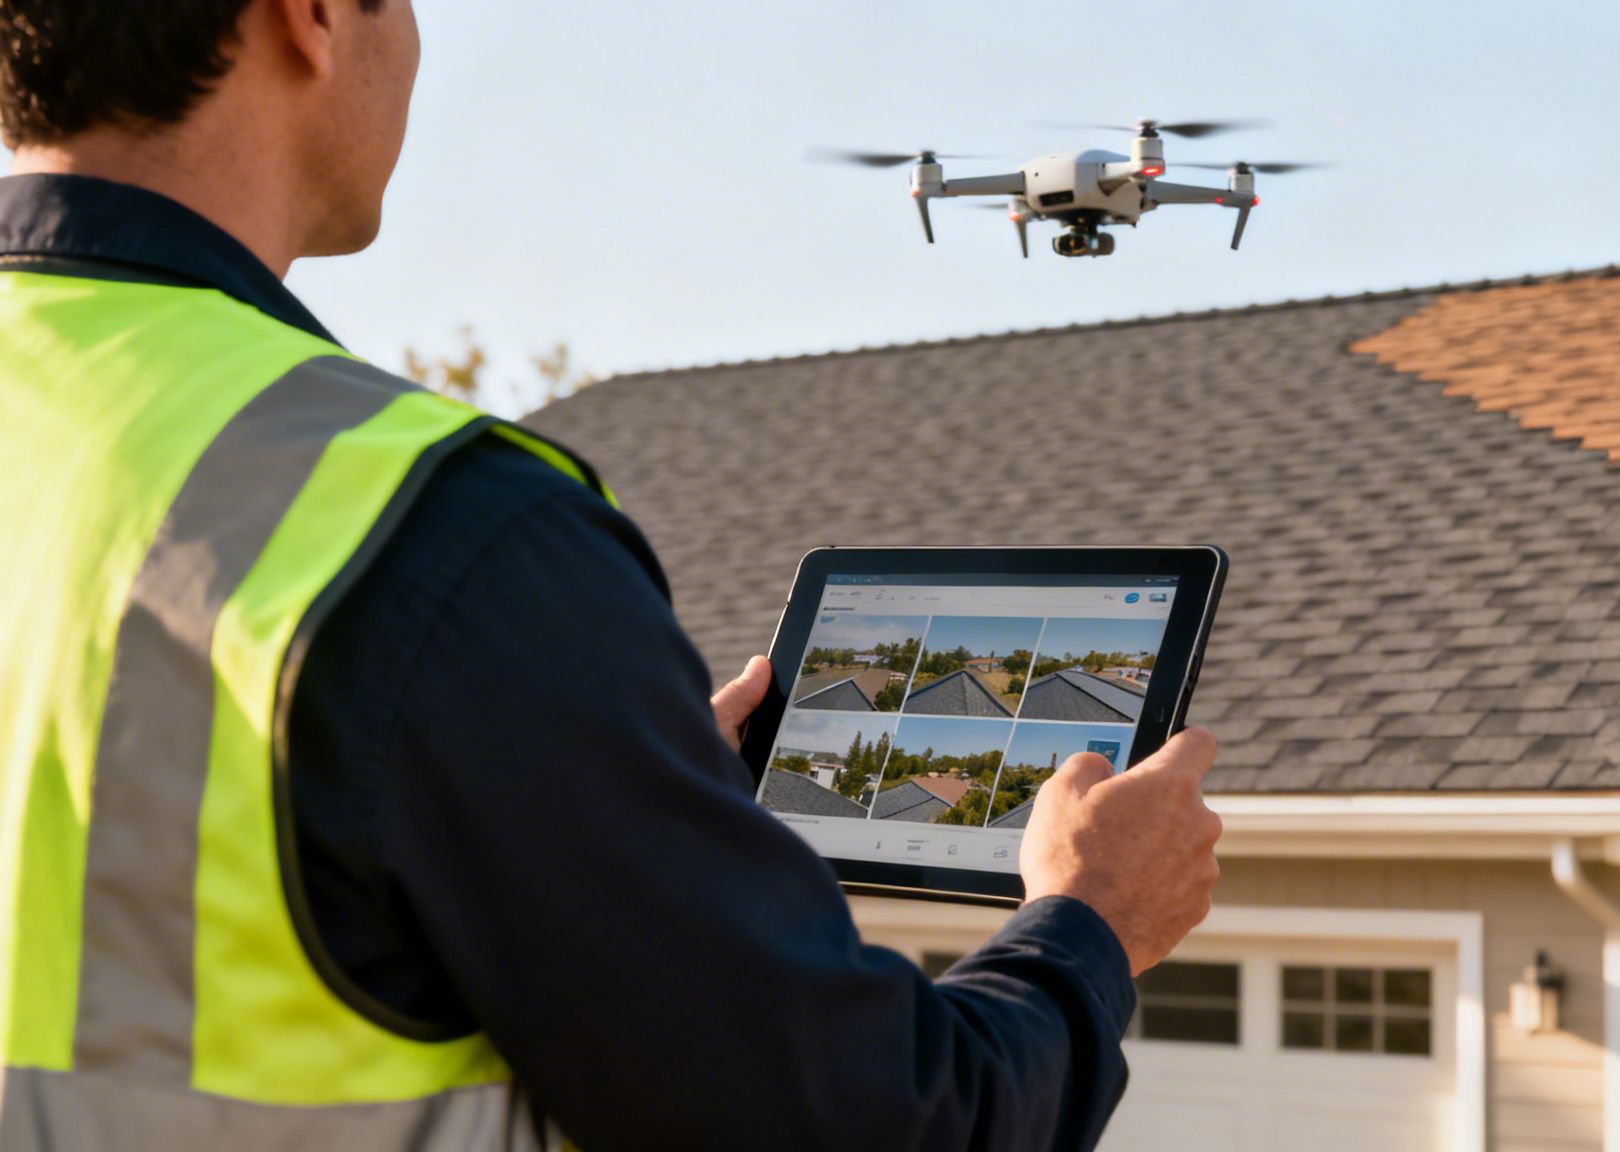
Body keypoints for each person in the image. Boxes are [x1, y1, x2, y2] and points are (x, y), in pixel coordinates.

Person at [0, 1, 1222, 1150]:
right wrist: (1090, 922)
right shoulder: (439, 531)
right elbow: (882, 1120)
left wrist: (592, 794)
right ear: (311, 16)